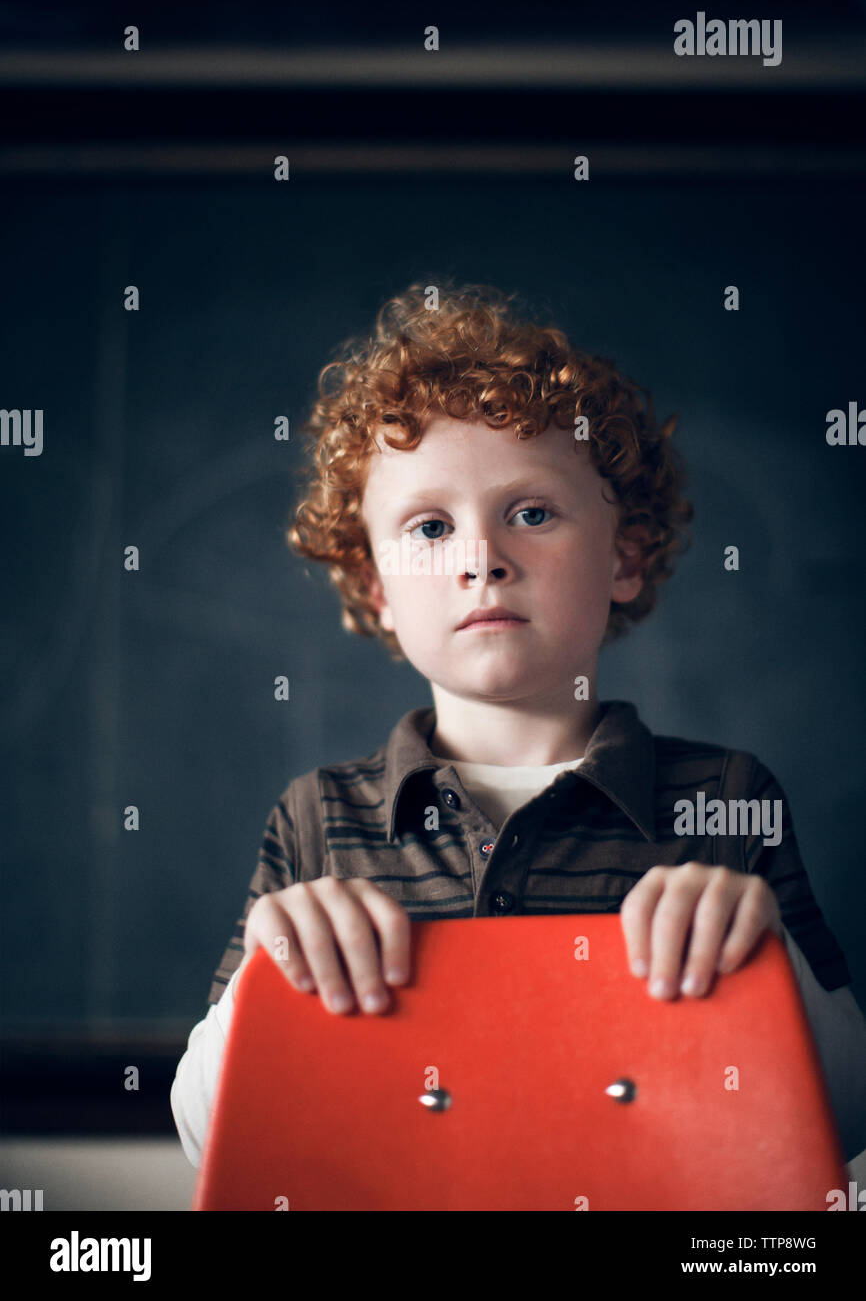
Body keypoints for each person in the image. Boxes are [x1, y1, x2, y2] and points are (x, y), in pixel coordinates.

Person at [171, 280, 866, 1184]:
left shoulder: (727, 799)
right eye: (429, 526)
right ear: (377, 586)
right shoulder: (317, 818)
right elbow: (203, 1136)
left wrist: (763, 959)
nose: (481, 559)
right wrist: (275, 962)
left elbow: (847, 1119)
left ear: (624, 557)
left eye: (531, 513)